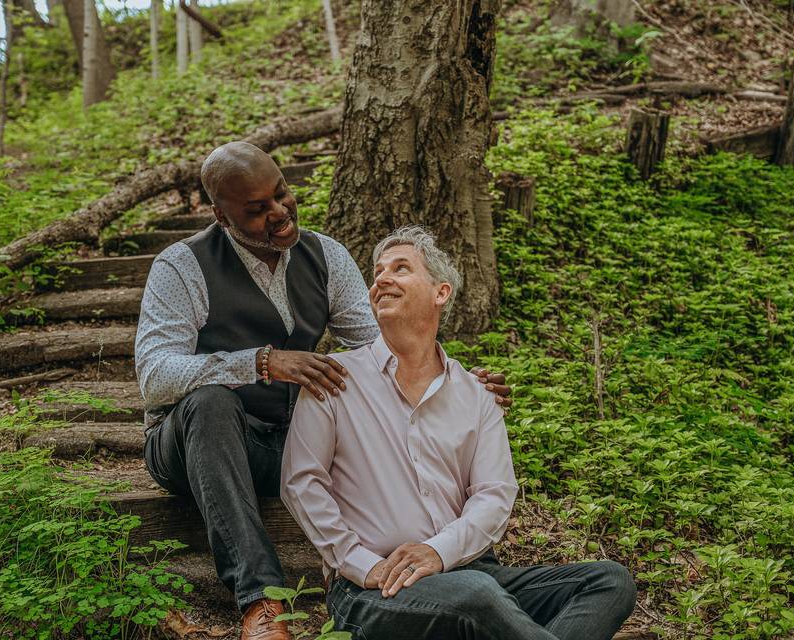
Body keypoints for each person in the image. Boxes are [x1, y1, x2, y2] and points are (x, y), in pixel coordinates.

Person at [135, 142, 512, 640]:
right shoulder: (181, 266)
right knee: (211, 404)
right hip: (192, 446)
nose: (278, 213)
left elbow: (384, 349)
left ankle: (448, 566)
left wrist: (455, 381)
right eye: (256, 209)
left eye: (281, 194)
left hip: (284, 443)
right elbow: (154, 376)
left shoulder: (326, 255)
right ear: (220, 215)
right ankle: (262, 602)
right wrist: (260, 362)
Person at [282, 226, 637, 640]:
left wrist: (438, 550)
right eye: (377, 272)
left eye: (400, 268)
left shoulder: (476, 394)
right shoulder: (335, 379)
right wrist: (361, 563)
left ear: (441, 293)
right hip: (377, 589)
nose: (381, 279)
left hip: (468, 571)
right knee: (477, 595)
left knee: (609, 581)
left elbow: (493, 493)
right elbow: (301, 482)